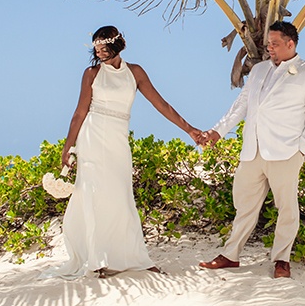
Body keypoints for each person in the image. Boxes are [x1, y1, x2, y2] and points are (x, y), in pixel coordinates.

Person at [59, 25, 204, 278]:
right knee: (94, 195)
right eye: (97, 48)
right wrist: (69, 147)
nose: (100, 52)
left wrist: (189, 129)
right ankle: (97, 260)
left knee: (121, 195)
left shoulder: (135, 72)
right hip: (92, 137)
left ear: (116, 45)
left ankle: (135, 257)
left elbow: (162, 104)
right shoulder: (91, 74)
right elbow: (79, 113)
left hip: (117, 138)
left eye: (104, 47)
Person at [198, 21, 305, 279]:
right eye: (269, 43)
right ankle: (230, 255)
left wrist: (301, 150)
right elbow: (241, 105)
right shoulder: (257, 70)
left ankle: (282, 259)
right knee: (244, 205)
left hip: (286, 152)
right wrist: (217, 131)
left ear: (291, 44)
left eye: (275, 44)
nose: (270, 48)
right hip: (252, 151)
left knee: (287, 208)